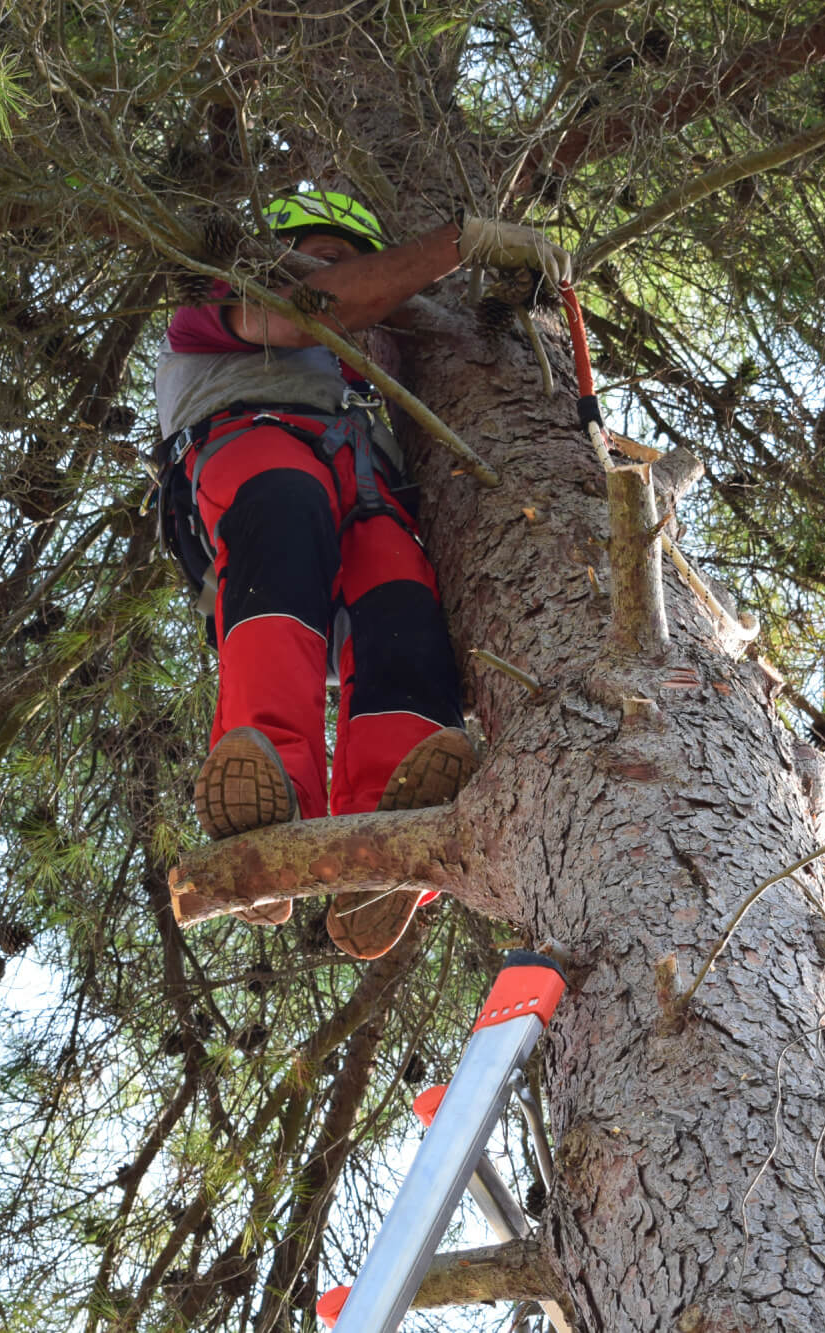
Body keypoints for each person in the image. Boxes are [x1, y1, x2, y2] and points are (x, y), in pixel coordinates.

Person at [152, 191, 569, 958]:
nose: (350, 278)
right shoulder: (215, 307)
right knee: (287, 510)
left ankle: (387, 826)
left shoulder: (373, 371)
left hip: (365, 495)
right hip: (255, 455)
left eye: (354, 259)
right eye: (326, 254)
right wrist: (460, 240)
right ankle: (269, 776)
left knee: (406, 609)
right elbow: (302, 307)